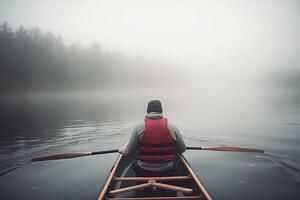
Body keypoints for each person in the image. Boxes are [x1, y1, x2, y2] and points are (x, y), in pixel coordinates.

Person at [120, 100, 186, 177]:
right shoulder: (173, 127)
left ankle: (143, 187)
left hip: (144, 170)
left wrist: (121, 150)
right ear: (161, 111)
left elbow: (128, 152)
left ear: (147, 111)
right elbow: (182, 149)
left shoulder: (138, 128)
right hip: (167, 169)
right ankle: (164, 188)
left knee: (134, 165)